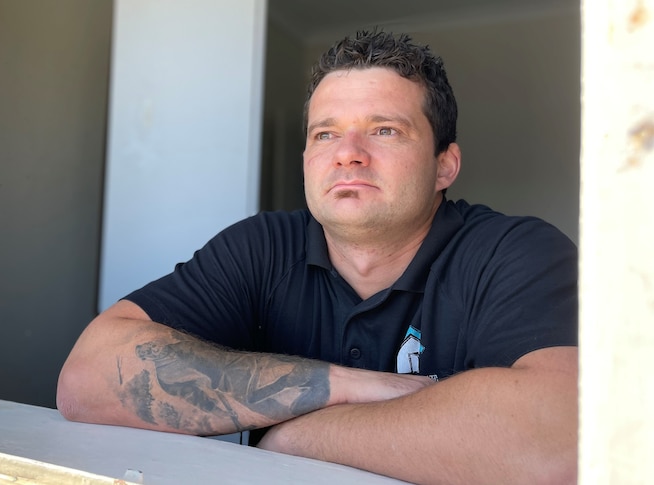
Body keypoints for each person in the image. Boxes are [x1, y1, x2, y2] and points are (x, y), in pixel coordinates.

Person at [57, 29, 577, 484]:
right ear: (307, 159)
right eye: (325, 133)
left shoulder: (517, 254)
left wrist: (290, 434)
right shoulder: (263, 247)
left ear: (445, 166)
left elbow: (562, 445)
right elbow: (88, 379)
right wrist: (349, 386)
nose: (348, 152)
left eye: (384, 130)